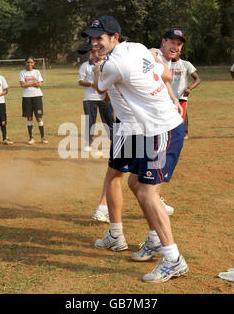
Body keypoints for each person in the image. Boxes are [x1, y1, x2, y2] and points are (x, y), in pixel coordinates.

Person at [82, 16, 188, 283]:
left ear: (115, 37)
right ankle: (154, 240)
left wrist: (96, 71)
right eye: (92, 39)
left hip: (158, 128)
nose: (95, 43)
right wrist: (166, 93)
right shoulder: (138, 47)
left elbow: (100, 89)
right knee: (135, 183)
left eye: (100, 38)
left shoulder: (112, 65)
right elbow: (163, 73)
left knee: (148, 192)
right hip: (150, 127)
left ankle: (172, 259)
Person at [78, 38, 115, 152]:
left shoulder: (108, 63)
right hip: (90, 98)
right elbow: (80, 81)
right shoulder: (85, 65)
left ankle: (115, 142)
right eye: (90, 52)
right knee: (90, 121)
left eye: (93, 51)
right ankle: (88, 143)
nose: (92, 54)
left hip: (105, 98)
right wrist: (92, 84)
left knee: (109, 121)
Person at [170, 32, 201, 139]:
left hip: (181, 95)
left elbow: (197, 79)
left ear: (180, 50)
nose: (174, 50)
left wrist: (189, 88)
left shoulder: (186, 64)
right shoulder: (165, 63)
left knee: (182, 114)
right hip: (168, 96)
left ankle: (185, 132)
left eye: (177, 47)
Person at [19, 57, 48, 144]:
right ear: (25, 63)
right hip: (26, 97)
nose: (29, 64)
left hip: (37, 96)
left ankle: (43, 137)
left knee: (39, 117)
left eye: (31, 62)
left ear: (34, 63)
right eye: (28, 62)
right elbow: (22, 85)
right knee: (29, 117)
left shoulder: (37, 72)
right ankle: (31, 138)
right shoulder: (22, 72)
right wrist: (33, 83)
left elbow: (39, 84)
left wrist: (28, 84)